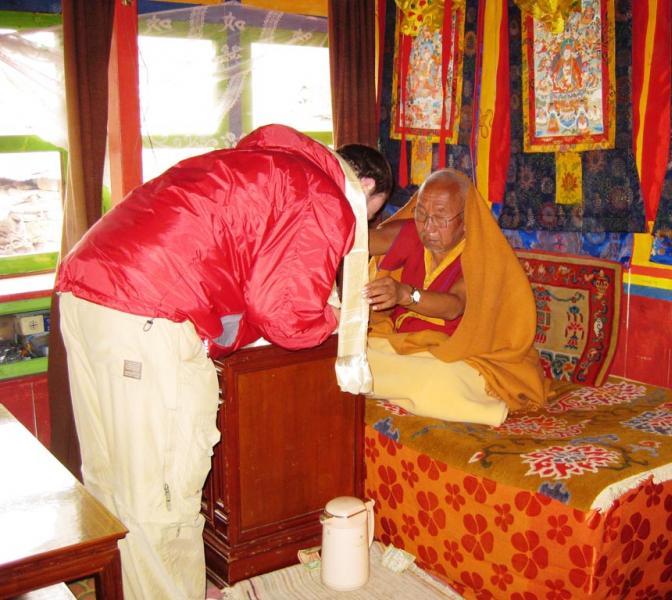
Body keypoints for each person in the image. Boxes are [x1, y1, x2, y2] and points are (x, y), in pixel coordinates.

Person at [55, 124, 392, 600]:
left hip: (86, 291)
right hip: (148, 313)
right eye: (370, 217)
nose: (361, 228)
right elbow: (285, 315)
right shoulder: (325, 195)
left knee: (114, 481)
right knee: (161, 497)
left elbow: (241, 276)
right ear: (366, 189)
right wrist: (338, 318)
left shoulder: (267, 165)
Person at [363, 168, 549, 427]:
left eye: (440, 217)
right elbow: (358, 241)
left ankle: (461, 400)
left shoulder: (483, 254)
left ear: (466, 219)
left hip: (463, 354)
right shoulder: (410, 233)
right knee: (353, 356)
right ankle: (408, 392)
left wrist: (406, 294)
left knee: (440, 378)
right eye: (421, 214)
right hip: (407, 347)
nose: (428, 227)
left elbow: (454, 306)